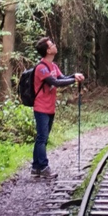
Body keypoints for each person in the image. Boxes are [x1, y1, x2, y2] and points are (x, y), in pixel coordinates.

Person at [31, 37, 84, 179]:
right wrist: (73, 80)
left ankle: (36, 167)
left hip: (50, 108)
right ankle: (43, 167)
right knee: (42, 138)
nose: (55, 46)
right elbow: (55, 82)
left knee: (42, 138)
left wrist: (74, 75)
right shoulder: (41, 68)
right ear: (48, 50)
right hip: (41, 107)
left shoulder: (53, 66)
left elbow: (62, 77)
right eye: (52, 45)